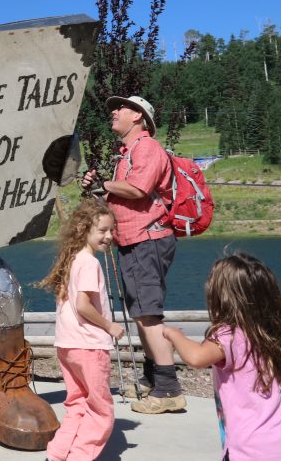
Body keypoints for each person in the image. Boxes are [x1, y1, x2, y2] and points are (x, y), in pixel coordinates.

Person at [81, 94, 183, 414]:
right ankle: (153, 379)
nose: (114, 111)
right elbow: (126, 197)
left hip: (147, 240)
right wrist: (99, 187)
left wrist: (106, 185)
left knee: (148, 313)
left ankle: (168, 390)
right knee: (141, 311)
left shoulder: (148, 148)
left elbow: (138, 189)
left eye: (121, 107)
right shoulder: (127, 153)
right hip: (133, 240)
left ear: (138, 116)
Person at [163, 253, 281, 460]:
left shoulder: (230, 335)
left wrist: (173, 334)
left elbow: (196, 358)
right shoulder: (275, 335)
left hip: (249, 451)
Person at [37, 198, 124, 461]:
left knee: (77, 404)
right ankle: (79, 456)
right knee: (101, 410)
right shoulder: (89, 263)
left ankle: (57, 454)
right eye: (103, 231)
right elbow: (82, 305)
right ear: (84, 230)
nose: (109, 236)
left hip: (68, 345)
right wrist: (110, 325)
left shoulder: (72, 259)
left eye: (111, 230)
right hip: (89, 346)